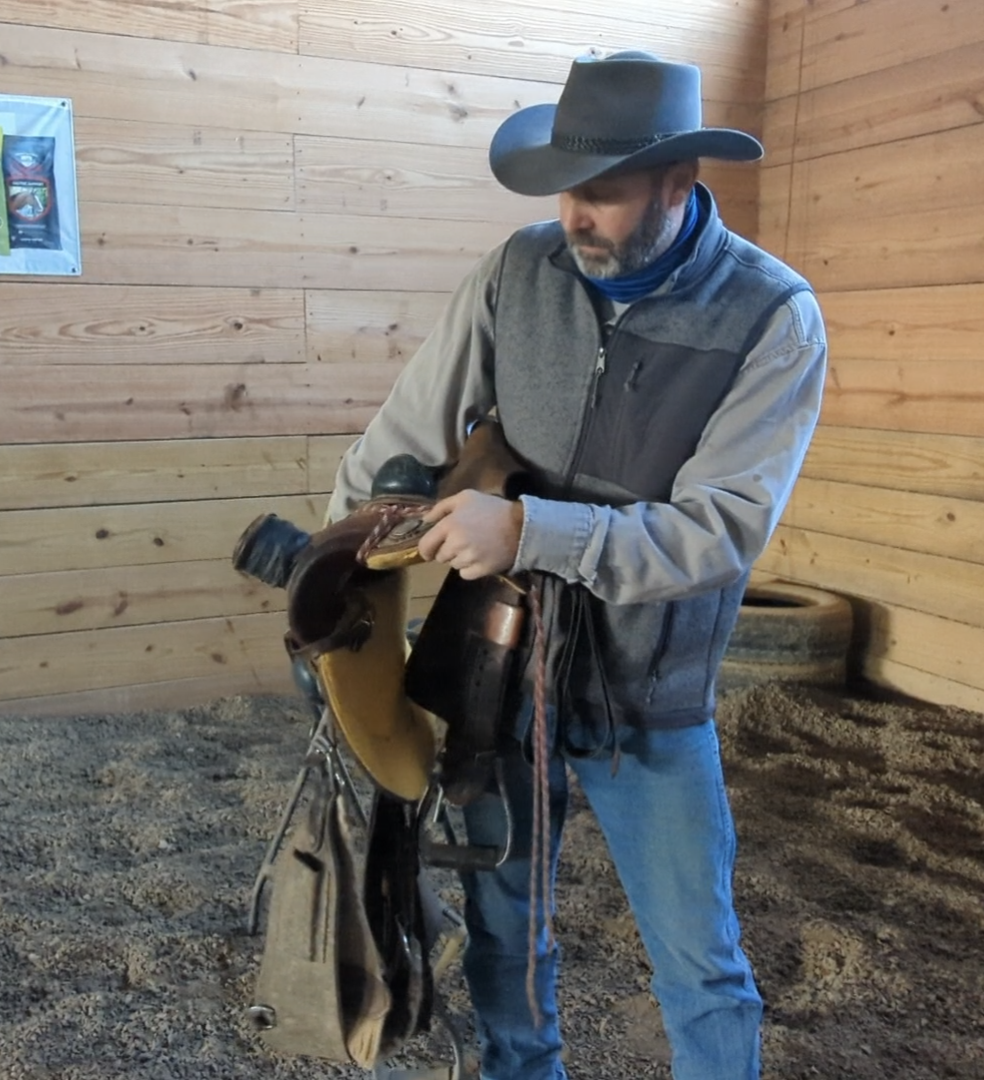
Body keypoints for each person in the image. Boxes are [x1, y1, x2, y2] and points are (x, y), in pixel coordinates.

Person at [328, 50, 827, 1080]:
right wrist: (334, 557)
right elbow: (402, 437)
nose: (571, 218)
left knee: (700, 962)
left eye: (599, 194)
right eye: (562, 189)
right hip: (496, 674)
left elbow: (717, 533)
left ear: (678, 185)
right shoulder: (516, 273)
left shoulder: (770, 318)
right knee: (506, 937)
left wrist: (530, 533)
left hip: (651, 692)